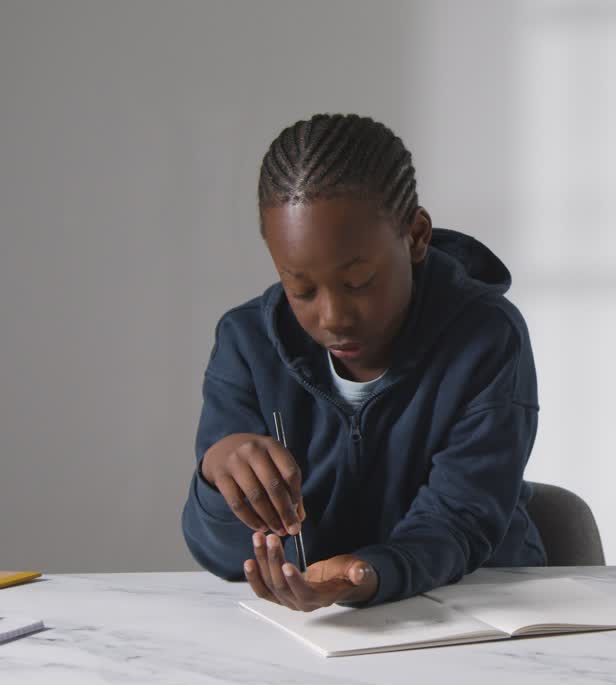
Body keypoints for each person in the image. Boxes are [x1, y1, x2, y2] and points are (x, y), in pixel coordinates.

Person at [181, 113, 545, 611]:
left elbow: (459, 521)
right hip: (320, 626)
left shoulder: (485, 338)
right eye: (300, 289)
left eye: (358, 283)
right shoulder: (246, 343)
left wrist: (369, 574)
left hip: (480, 609)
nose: (333, 318)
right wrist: (217, 472)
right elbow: (223, 554)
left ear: (416, 236)